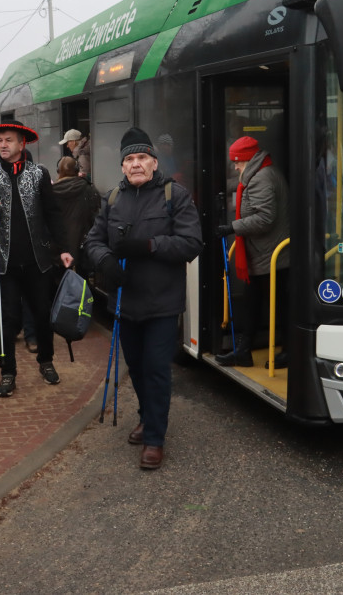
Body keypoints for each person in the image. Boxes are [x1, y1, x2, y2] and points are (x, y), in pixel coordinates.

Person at [84, 127, 202, 471]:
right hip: (125, 302)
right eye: (129, 159)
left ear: (153, 162)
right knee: (136, 367)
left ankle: (155, 438)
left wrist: (150, 245)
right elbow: (93, 240)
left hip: (163, 303)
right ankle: (147, 416)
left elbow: (192, 243)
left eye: (142, 158)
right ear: (123, 167)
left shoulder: (174, 196)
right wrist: (104, 260)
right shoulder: (112, 199)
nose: (136, 165)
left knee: (155, 369)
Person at [0, 120, 73, 396]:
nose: (3, 145)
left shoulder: (38, 174)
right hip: (3, 264)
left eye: (8, 140)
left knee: (42, 314)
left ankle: (46, 361)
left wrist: (64, 247)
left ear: (21, 144)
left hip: (37, 261)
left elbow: (53, 213)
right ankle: (7, 372)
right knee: (7, 319)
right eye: (0, 140)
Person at [215, 135, 290, 368]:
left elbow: (265, 218)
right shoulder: (264, 171)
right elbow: (240, 185)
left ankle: (286, 352)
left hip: (269, 255)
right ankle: (245, 351)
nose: (235, 166)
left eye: (236, 162)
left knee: (274, 305)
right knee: (256, 303)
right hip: (266, 253)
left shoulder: (261, 178)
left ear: (246, 160)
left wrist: (232, 227)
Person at [52, 157, 101, 278]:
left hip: (59, 249)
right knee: (83, 285)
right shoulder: (88, 189)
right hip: (82, 248)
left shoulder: (51, 192)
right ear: (77, 170)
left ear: (58, 172)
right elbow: (96, 216)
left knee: (61, 285)